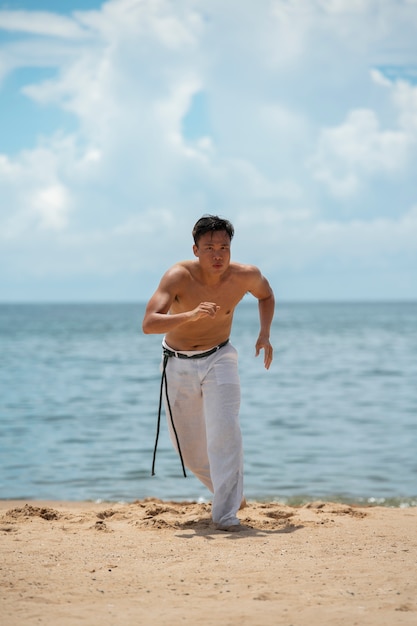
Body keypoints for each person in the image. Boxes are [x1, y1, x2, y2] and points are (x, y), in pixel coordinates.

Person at [142, 215, 275, 531]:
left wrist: (264, 334)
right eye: (210, 248)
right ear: (196, 249)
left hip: (221, 358)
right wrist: (189, 315)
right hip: (177, 363)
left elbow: (266, 295)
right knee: (187, 449)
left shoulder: (245, 276)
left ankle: (226, 515)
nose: (218, 255)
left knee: (225, 432)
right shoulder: (178, 276)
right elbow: (148, 323)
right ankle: (230, 493)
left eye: (224, 248)